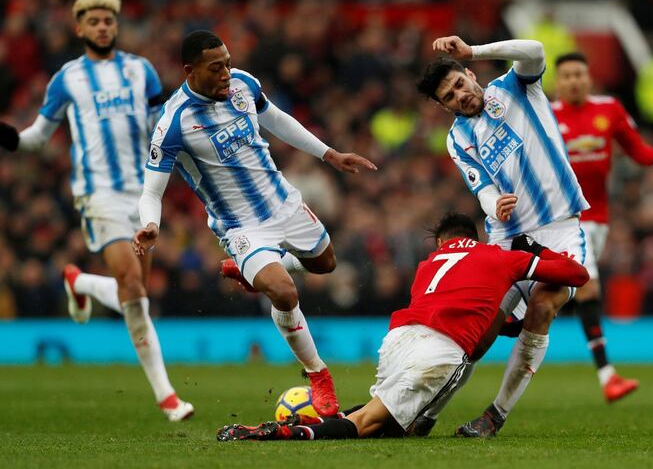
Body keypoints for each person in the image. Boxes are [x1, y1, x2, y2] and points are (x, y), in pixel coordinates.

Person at [133, 30, 377, 417]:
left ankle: (254, 272)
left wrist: (328, 154)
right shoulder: (173, 124)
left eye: (228, 62)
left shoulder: (244, 84)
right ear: (190, 71)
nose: (227, 73)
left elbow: (277, 120)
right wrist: (151, 225)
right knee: (284, 293)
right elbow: (151, 191)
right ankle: (318, 374)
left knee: (326, 264)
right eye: (216, 68)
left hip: (284, 202)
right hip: (241, 226)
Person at [215, 212, 588, 442]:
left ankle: (312, 420)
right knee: (367, 422)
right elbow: (577, 274)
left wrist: (506, 326)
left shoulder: (428, 265)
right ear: (472, 237)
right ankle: (286, 433)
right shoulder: (498, 256)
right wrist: (536, 250)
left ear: (443, 242)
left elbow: (460, 307)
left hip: (398, 339)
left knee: (389, 424)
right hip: (438, 350)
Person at [0, 0, 192, 421]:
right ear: (80, 28)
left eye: (109, 20)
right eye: (95, 21)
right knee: (132, 284)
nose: (103, 26)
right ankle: (168, 397)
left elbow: (159, 124)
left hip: (143, 194)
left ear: (116, 25)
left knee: (135, 294)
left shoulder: (140, 70)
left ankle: (80, 282)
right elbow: (35, 138)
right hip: (98, 193)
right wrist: (7, 136)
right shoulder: (68, 78)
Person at [415, 35, 590, 437]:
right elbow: (483, 188)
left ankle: (495, 415)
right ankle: (426, 413)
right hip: (506, 242)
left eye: (459, 84)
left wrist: (473, 50)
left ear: (471, 75)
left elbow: (535, 51)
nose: (459, 96)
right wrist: (494, 205)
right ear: (444, 107)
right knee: (475, 338)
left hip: (560, 231)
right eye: (449, 97)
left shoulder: (515, 87)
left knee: (543, 308)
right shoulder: (458, 138)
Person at [544, 51, 653, 400]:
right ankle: (607, 375)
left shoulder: (609, 110)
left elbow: (637, 149)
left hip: (594, 218)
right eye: (567, 75)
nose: (574, 81)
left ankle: (525, 323)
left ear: (589, 78)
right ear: (557, 82)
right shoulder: (545, 116)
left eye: (579, 74)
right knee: (584, 288)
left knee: (572, 289)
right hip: (553, 217)